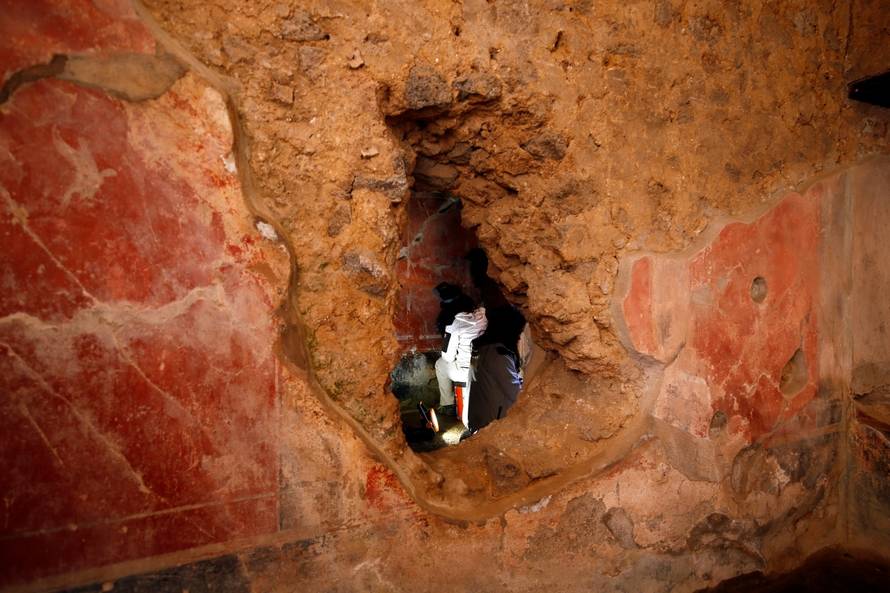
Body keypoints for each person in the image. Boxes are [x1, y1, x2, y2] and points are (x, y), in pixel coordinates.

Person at [432, 283, 487, 429]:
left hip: (466, 372)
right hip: (486, 368)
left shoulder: (454, 323)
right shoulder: (482, 314)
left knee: (439, 364)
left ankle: (447, 404)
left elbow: (448, 357)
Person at [467, 303, 526, 432]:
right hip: (494, 420)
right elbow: (514, 394)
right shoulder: (499, 355)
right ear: (509, 330)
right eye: (518, 331)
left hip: (479, 417)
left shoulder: (484, 348)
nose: (518, 337)